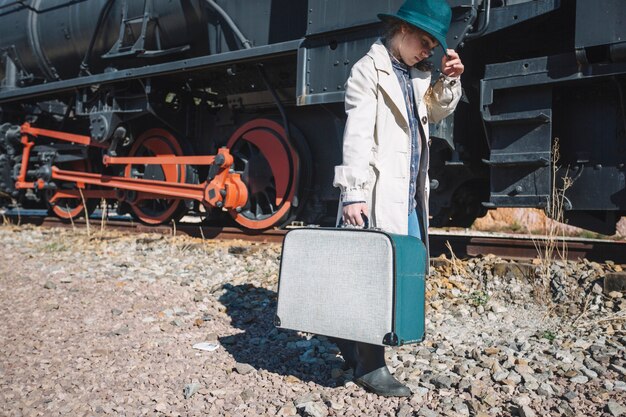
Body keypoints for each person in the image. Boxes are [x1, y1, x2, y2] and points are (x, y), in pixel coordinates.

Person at [332, 0, 464, 397]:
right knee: (377, 277)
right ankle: (370, 366)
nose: (429, 51)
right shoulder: (367, 71)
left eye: (433, 47)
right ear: (402, 30)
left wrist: (450, 79)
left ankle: (350, 342)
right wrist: (354, 193)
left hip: (406, 194)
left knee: (397, 272)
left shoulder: (416, 74)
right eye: (425, 42)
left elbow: (435, 111)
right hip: (375, 193)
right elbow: (355, 136)